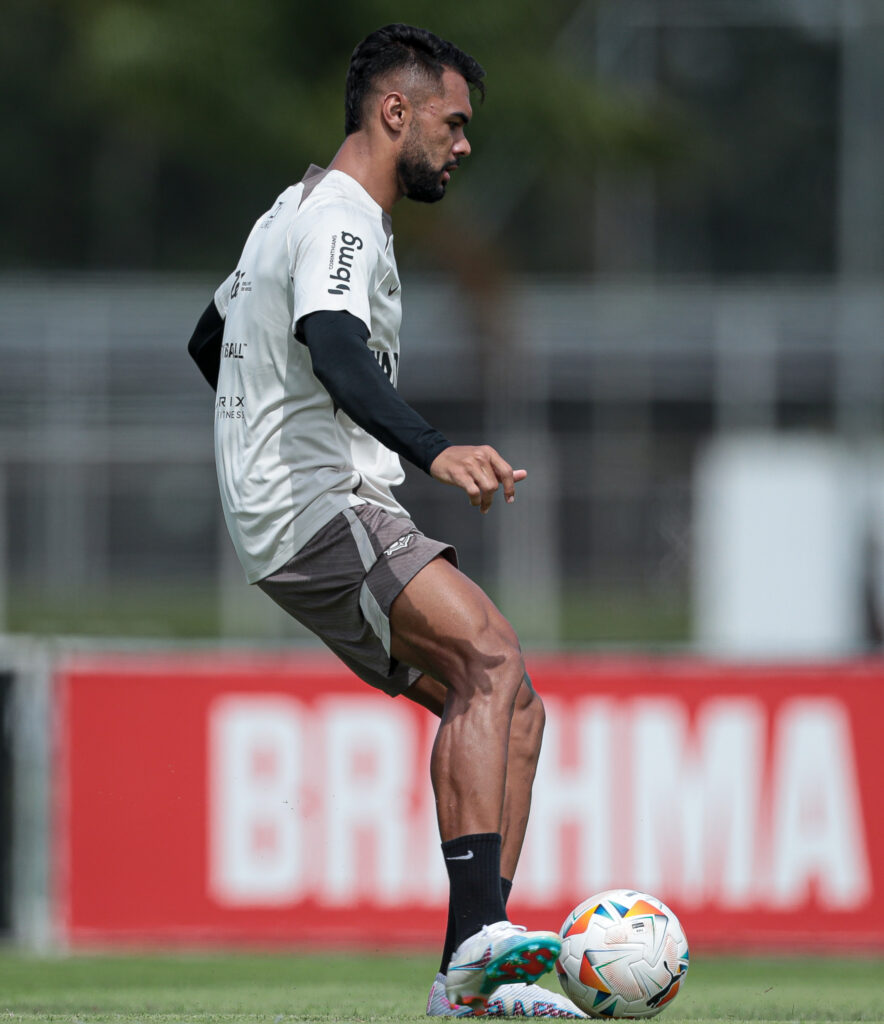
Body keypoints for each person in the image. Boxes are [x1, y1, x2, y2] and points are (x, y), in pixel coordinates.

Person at [188, 24, 584, 1019]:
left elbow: (211, 337)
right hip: (321, 506)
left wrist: (261, 434)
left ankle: (472, 977)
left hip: (296, 510)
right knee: (489, 655)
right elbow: (332, 342)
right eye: (452, 124)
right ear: (393, 112)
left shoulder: (290, 212)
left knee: (512, 704)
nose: (460, 146)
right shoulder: (342, 221)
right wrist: (429, 447)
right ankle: (479, 948)